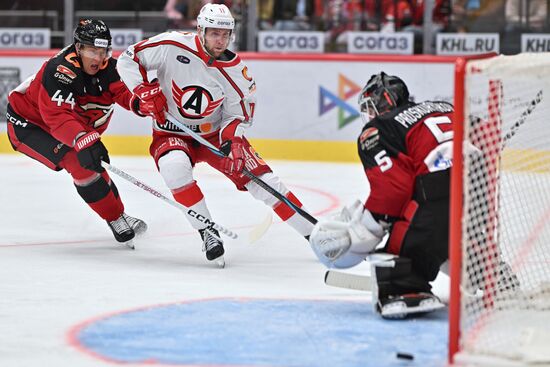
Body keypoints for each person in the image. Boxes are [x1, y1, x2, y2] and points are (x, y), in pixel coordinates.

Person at [116, 4, 314, 265]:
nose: (220, 40)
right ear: (200, 30)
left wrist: (233, 143)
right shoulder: (171, 45)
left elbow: (238, 115)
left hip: (214, 137)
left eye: (225, 34)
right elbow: (128, 59)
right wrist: (142, 90)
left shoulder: (236, 73)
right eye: (214, 33)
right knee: (175, 168)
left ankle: (314, 234)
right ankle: (207, 232)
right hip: (170, 132)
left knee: (264, 181)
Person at [310, 72, 454, 319]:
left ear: (384, 101)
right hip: (479, 185)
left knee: (404, 233)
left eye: (370, 106)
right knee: (453, 234)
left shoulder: (380, 128)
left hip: (437, 191)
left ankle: (405, 290)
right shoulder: (442, 108)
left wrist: (370, 226)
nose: (369, 114)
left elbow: (393, 192)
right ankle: (487, 271)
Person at [5, 19, 149, 245]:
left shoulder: (109, 66)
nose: (99, 58)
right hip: (28, 124)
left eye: (103, 50)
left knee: (91, 161)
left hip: (61, 123)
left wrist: (140, 104)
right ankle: (115, 217)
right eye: (92, 50)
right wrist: (83, 138)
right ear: (79, 47)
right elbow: (58, 117)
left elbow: (121, 91)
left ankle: (118, 214)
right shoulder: (59, 70)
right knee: (79, 162)